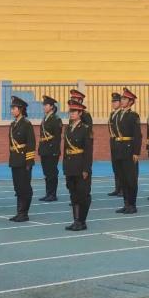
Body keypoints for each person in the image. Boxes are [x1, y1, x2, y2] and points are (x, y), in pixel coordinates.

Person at [63, 98, 93, 231]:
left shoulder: (85, 129)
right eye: (71, 111)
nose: (72, 113)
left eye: (74, 111)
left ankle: (82, 221)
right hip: (70, 166)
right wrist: (64, 166)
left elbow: (88, 151)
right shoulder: (68, 128)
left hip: (80, 166)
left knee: (82, 195)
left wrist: (86, 168)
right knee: (73, 195)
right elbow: (65, 149)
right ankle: (76, 221)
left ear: (80, 113)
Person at [113, 88, 142, 215]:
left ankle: (132, 205)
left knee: (131, 179)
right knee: (123, 179)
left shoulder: (133, 116)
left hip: (129, 150)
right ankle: (126, 204)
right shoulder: (118, 114)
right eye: (122, 98)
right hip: (119, 150)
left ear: (130, 102)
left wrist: (136, 152)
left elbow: (138, 135)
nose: (122, 101)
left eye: (124, 99)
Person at [8, 96, 37, 222]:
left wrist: (29, 162)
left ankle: (24, 213)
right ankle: (19, 212)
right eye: (12, 108)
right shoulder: (13, 124)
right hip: (15, 160)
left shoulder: (26, 124)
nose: (12, 110)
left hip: (24, 161)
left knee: (24, 187)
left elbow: (31, 144)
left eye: (14, 108)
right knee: (18, 188)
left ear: (20, 109)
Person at [38, 95, 62, 202]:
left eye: (46, 105)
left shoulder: (56, 119)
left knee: (52, 173)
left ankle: (53, 194)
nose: (44, 107)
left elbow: (57, 137)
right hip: (44, 149)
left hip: (52, 151)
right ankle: (48, 193)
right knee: (46, 173)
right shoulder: (45, 118)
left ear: (52, 106)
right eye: (44, 105)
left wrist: (55, 151)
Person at [107, 92, 123, 197]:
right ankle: (117, 188)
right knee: (115, 166)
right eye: (113, 101)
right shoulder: (112, 114)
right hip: (113, 142)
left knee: (121, 167)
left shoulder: (121, 114)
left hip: (120, 143)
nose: (113, 103)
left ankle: (122, 189)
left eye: (116, 101)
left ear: (120, 103)